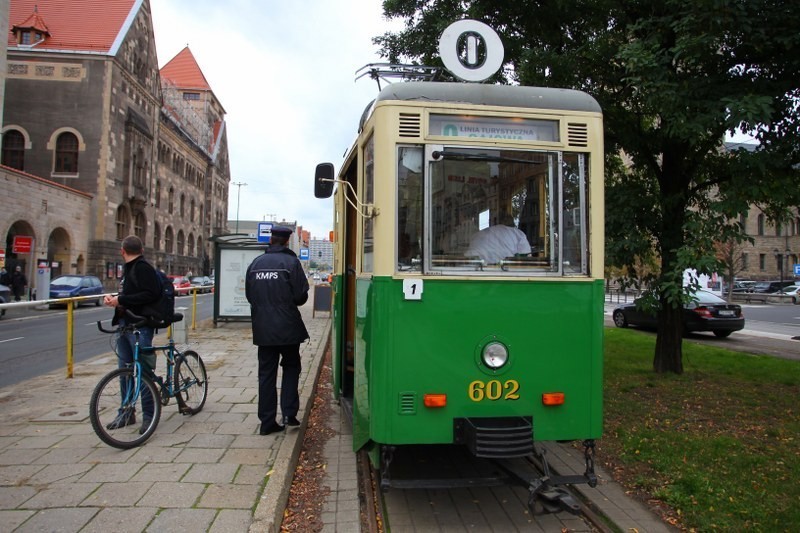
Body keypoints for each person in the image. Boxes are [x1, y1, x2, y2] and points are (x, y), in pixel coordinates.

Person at [245, 226, 310, 436]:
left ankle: (266, 422)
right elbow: (301, 296)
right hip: (288, 327)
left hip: (263, 329)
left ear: (271, 240)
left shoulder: (255, 264)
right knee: (291, 367)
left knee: (266, 374)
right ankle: (289, 414)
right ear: (286, 241)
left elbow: (249, 295)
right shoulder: (291, 263)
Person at [103, 235, 162, 433]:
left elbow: (150, 294)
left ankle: (149, 416)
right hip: (124, 325)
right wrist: (117, 300)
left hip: (140, 326)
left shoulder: (143, 268)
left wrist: (121, 300)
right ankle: (126, 413)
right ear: (141, 249)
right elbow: (130, 295)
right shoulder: (129, 269)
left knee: (143, 372)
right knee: (125, 372)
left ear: (123, 251)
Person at [464, 215, 531, 264]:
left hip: (477, 271)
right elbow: (525, 256)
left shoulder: (478, 234)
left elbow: (469, 257)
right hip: (507, 272)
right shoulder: (518, 234)